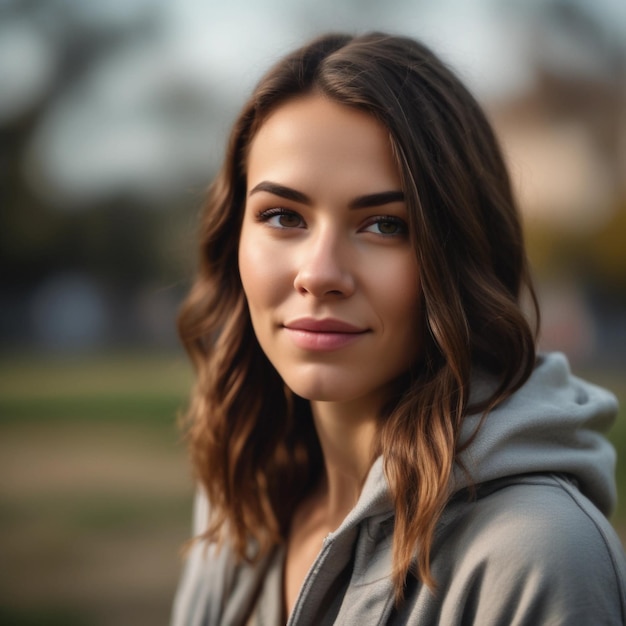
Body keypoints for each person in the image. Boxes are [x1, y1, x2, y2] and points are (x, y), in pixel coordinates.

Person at [171, 32, 626, 625]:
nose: (321, 274)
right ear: (235, 234)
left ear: (462, 254)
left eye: (385, 225)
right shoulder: (238, 500)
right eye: (283, 216)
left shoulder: (538, 556)